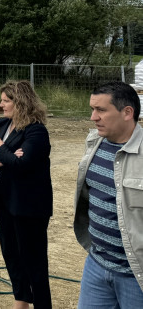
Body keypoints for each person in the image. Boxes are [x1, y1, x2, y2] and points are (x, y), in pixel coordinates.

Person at [0, 80, 52, 309]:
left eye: (5, 100)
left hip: (28, 205)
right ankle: (21, 302)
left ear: (20, 103)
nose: (0, 104)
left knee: (34, 263)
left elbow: (22, 165)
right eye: (1, 100)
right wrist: (4, 157)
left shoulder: (36, 131)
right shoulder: (3, 123)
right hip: (3, 199)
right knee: (11, 256)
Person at [74, 80, 143, 307]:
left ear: (127, 112)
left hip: (136, 276)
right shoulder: (94, 142)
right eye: (92, 109)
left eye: (101, 110)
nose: (93, 117)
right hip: (96, 265)